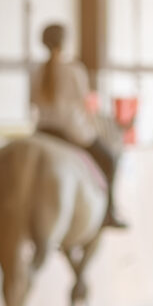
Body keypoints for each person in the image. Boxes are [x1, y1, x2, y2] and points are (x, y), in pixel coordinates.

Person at [31, 20, 125, 229]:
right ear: (64, 43)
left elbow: (32, 102)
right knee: (109, 160)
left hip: (42, 131)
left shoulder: (35, 70)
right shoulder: (74, 69)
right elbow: (86, 104)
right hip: (70, 131)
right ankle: (109, 213)